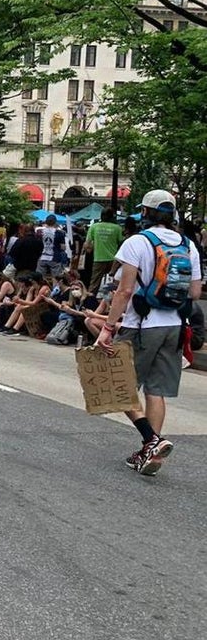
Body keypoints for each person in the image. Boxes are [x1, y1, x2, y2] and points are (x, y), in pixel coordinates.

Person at [95, 190, 202, 475]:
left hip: (141, 325)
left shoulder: (137, 242)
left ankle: (151, 440)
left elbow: (124, 290)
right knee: (156, 390)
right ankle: (150, 454)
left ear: (145, 212)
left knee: (117, 384)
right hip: (175, 326)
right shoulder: (188, 245)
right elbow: (194, 292)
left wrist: (107, 327)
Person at [83, 208, 124, 293]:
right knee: (114, 283)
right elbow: (121, 243)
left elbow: (87, 244)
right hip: (114, 260)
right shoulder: (117, 228)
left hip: (99, 258)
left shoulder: (94, 227)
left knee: (94, 284)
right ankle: (112, 299)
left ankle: (90, 299)